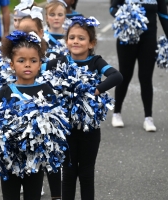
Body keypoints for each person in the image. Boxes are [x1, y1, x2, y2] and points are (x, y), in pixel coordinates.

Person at [44, 16, 123, 200]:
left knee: (86, 173)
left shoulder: (95, 62)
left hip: (90, 129)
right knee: (68, 172)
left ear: (91, 43)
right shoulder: (61, 61)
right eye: (72, 37)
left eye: (81, 38)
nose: (76, 41)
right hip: (66, 129)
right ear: (66, 41)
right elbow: (38, 70)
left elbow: (116, 76)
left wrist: (97, 89)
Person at [0, 30, 56, 200]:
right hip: (10, 160)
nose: (27, 64)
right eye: (21, 60)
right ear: (12, 64)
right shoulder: (5, 91)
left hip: (35, 159)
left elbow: (57, 122)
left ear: (40, 64)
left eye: (33, 60)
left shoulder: (46, 90)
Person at [110, 0, 168, 131]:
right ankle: (117, 113)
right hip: (127, 38)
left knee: (146, 77)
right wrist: (125, 15)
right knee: (125, 76)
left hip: (149, 40)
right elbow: (112, 8)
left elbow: (164, 15)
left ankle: (148, 118)